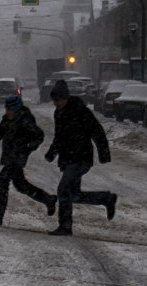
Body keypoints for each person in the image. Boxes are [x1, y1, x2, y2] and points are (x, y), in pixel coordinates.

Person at [43, 79, 117, 237]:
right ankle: (106, 198)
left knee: (63, 190)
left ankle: (65, 226)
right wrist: (52, 152)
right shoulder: (59, 113)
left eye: (57, 100)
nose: (55, 103)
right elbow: (59, 136)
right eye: (53, 100)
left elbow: (97, 131)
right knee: (73, 195)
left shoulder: (80, 110)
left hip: (81, 158)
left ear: (65, 98)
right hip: (68, 158)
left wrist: (104, 154)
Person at [0, 94, 56, 226]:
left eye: (9, 109)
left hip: (17, 157)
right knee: (21, 186)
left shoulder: (25, 120)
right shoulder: (8, 119)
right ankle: (48, 199)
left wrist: (28, 148)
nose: (7, 112)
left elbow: (39, 135)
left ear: (16, 109)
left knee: (2, 181)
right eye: (6, 109)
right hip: (10, 156)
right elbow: (1, 131)